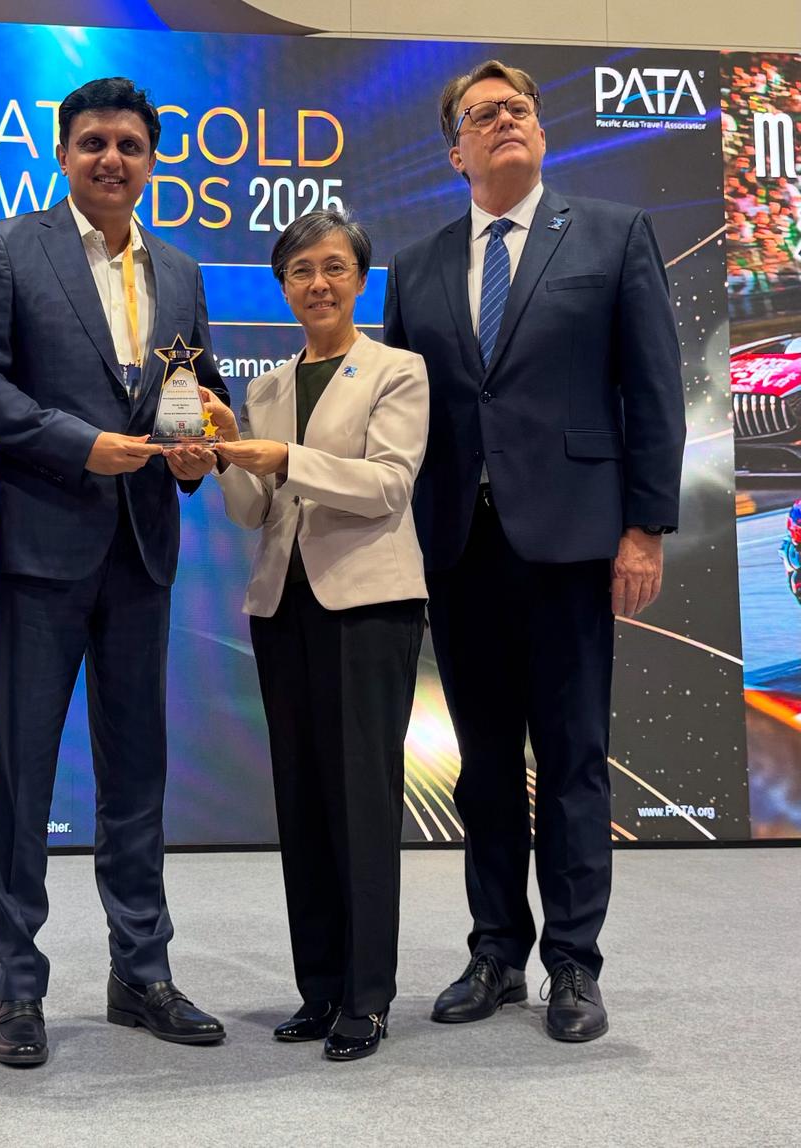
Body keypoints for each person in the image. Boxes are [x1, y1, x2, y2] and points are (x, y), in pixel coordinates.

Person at [383, 60, 685, 1042]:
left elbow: (652, 389)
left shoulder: (610, 234)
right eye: (482, 114)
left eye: (517, 108)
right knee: (480, 767)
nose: (505, 120)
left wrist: (643, 526)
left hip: (570, 542)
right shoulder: (417, 266)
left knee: (571, 758)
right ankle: (494, 953)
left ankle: (573, 964)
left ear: (539, 133)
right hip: (457, 547)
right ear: (455, 151)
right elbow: (402, 415)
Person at [0, 76, 229, 1067]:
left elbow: (200, 387)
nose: (112, 159)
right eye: (94, 142)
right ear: (62, 153)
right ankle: (17, 989)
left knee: (137, 770)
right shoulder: (6, 248)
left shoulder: (180, 270)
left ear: (151, 160)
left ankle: (140, 974)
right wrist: (78, 444)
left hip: (143, 549)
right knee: (22, 773)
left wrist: (200, 450)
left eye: (130, 145)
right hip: (41, 546)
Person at [205, 211, 428, 1062]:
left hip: (368, 606)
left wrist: (284, 459)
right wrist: (228, 455)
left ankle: (368, 996)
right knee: (301, 801)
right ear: (283, 286)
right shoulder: (266, 388)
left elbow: (387, 485)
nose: (318, 284)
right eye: (300, 271)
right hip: (282, 607)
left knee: (361, 798)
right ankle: (321, 986)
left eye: (334, 267)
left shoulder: (398, 369)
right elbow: (253, 513)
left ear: (360, 280)